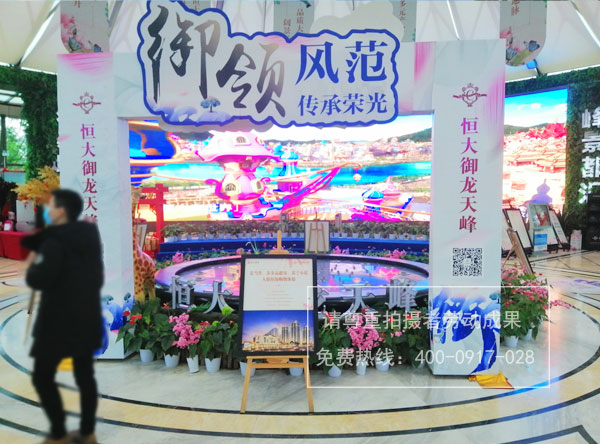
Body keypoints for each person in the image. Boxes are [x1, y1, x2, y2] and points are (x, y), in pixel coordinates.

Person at [22, 189, 103, 444]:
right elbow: (97, 277)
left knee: (42, 376)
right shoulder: (90, 235)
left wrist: (32, 266)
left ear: (62, 211)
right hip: (86, 316)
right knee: (84, 375)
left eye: (52, 206)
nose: (48, 210)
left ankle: (58, 433)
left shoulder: (54, 242)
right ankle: (88, 432)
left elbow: (39, 279)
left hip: (57, 321)